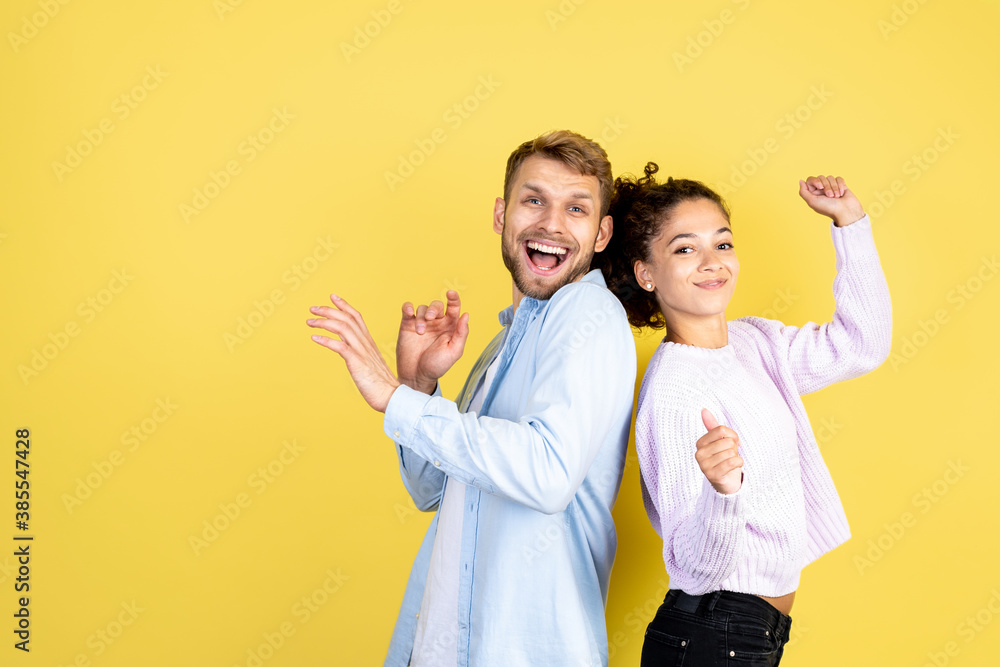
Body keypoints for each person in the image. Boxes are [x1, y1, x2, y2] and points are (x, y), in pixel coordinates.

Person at [307, 131, 637, 666]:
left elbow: (547, 473)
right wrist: (418, 385)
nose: (551, 223)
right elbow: (431, 489)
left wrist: (394, 398)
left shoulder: (588, 314)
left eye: (575, 208)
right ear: (501, 215)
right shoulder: (505, 342)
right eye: (534, 200)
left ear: (601, 235)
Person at [597, 164, 891, 665]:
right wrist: (723, 492)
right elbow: (693, 567)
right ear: (646, 274)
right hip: (712, 633)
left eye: (723, 244)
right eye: (685, 248)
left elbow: (861, 346)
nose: (712, 262)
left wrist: (850, 222)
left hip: (747, 633)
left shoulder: (755, 343)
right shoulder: (672, 390)